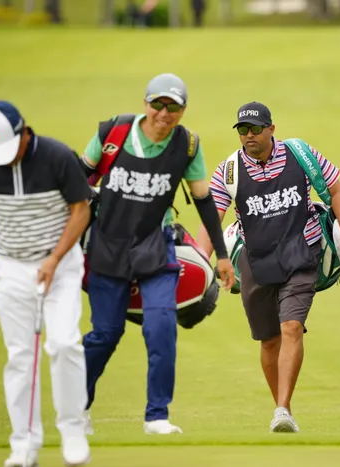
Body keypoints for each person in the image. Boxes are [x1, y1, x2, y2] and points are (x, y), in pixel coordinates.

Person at [78, 73, 235, 435]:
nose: (164, 113)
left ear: (183, 110)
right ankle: (78, 406)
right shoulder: (113, 133)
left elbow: (204, 200)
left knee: (161, 327)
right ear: (145, 104)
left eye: (173, 106)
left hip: (155, 246)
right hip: (107, 247)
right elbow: (78, 180)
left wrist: (222, 255)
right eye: (158, 104)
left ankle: (157, 416)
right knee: (105, 334)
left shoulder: (188, 145)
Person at [196, 101, 340, 433]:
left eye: (256, 129)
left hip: (302, 253)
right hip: (256, 261)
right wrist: (201, 263)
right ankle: (282, 408)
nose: (249, 135)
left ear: (271, 129)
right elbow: (213, 219)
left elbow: (337, 192)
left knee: (291, 328)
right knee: (269, 340)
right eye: (243, 130)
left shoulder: (300, 155)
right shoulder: (229, 170)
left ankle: (283, 410)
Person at [0, 101, 92, 466]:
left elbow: (81, 210)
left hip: (60, 266)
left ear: (24, 133)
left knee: (63, 344)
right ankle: (24, 444)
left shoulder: (57, 157)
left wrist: (54, 259)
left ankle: (73, 431)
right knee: (20, 357)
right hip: (11, 268)